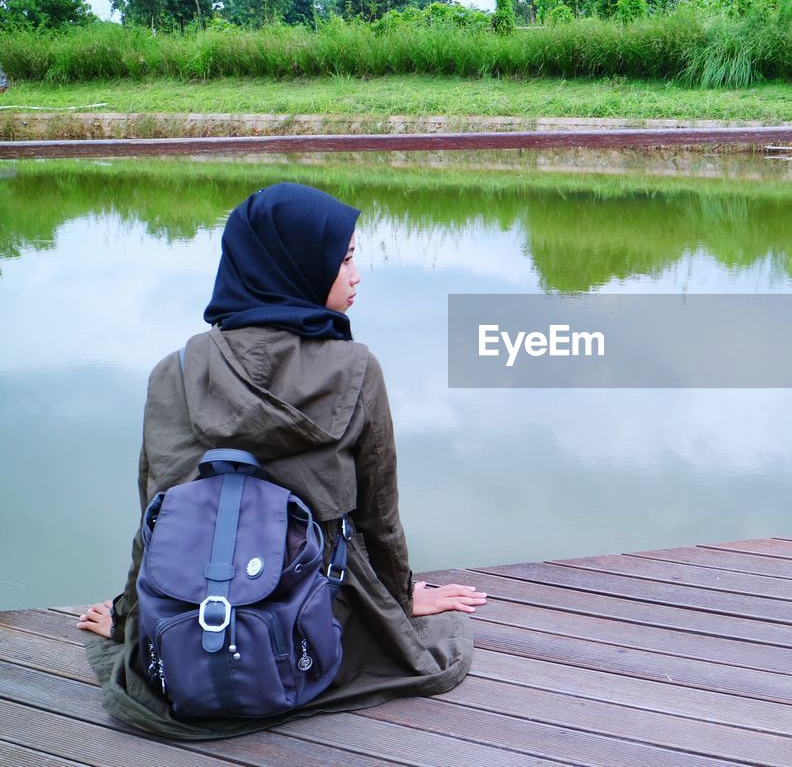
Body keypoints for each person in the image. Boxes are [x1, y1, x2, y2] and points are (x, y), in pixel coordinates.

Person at [77, 182, 486, 739]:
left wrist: (131, 618)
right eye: (343, 260)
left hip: (188, 614)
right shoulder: (356, 368)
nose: (356, 275)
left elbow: (157, 513)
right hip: (314, 615)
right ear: (298, 266)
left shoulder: (171, 370)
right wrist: (400, 597)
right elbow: (377, 515)